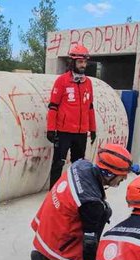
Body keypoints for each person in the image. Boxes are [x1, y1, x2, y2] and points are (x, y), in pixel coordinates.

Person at [30, 143, 139, 260]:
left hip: (46, 229)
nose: (124, 179)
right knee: (103, 213)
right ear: (108, 174)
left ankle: (44, 255)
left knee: (102, 210)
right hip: (58, 244)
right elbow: (89, 242)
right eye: (121, 175)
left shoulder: (80, 165)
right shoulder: (91, 203)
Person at [46, 43, 97, 188]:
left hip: (81, 133)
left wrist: (92, 129)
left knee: (79, 165)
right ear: (73, 62)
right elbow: (53, 106)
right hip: (64, 132)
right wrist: (51, 129)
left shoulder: (88, 83)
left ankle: (76, 192)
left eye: (85, 62)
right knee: (58, 163)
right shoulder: (62, 81)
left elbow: (90, 107)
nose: (83, 65)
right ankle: (53, 192)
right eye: (80, 62)